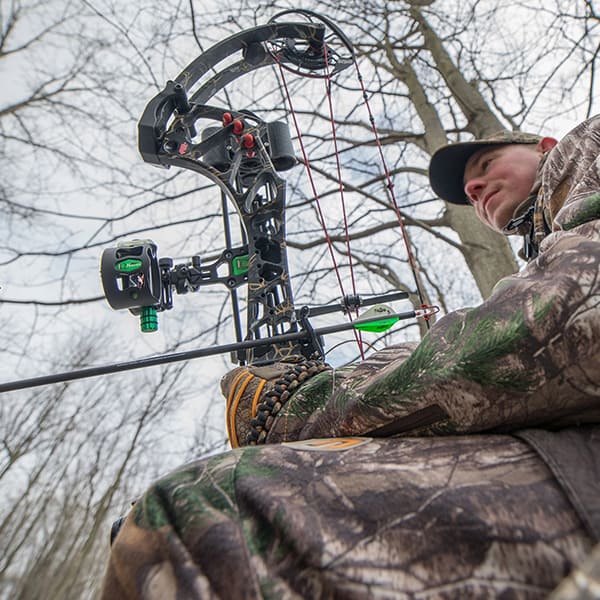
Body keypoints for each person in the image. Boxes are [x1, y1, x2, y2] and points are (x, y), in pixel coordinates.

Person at [101, 116, 600, 599]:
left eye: (488, 163)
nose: (474, 189)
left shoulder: (585, 146)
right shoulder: (550, 242)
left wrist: (299, 407)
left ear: (544, 145)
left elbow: (559, 319)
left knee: (205, 517)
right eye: (468, 188)